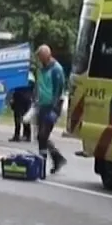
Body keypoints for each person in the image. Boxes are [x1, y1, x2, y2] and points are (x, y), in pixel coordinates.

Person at [33, 44, 67, 173]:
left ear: (47, 55)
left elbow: (58, 90)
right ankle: (56, 158)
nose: (40, 60)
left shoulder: (56, 69)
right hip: (42, 105)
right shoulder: (41, 68)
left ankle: (42, 165)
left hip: (52, 107)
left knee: (43, 135)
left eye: (41, 57)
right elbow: (39, 85)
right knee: (41, 136)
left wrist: (54, 109)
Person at [9, 62, 35, 143]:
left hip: (19, 97)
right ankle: (27, 135)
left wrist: (12, 98)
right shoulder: (31, 76)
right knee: (25, 117)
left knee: (17, 117)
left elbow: (15, 87)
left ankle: (17, 135)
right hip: (28, 98)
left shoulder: (20, 75)